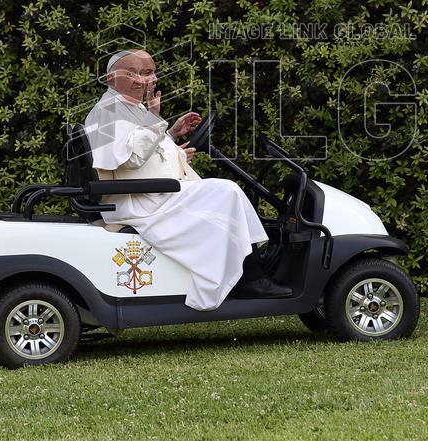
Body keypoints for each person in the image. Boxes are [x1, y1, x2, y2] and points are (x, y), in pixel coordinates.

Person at [83, 49, 291, 310]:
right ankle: (252, 277)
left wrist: (172, 137)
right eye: (132, 73)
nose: (142, 80)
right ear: (111, 78)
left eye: (147, 73)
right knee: (227, 192)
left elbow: (138, 149)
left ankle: (245, 270)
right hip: (141, 201)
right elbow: (132, 157)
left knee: (222, 198)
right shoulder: (109, 110)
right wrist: (154, 115)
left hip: (152, 194)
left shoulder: (127, 106)